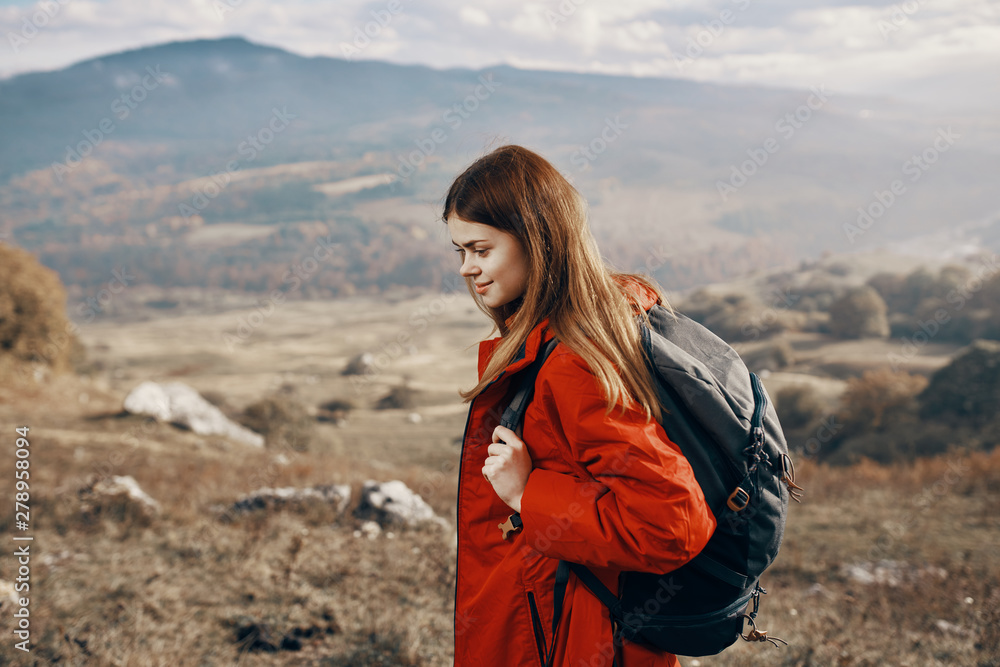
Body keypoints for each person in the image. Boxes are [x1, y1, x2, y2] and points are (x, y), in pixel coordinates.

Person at [443, 144, 716, 666]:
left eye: (480, 249)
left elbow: (672, 521)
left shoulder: (575, 362)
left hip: (584, 644)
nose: (466, 268)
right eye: (459, 252)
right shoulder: (571, 333)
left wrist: (528, 493)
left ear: (535, 240)